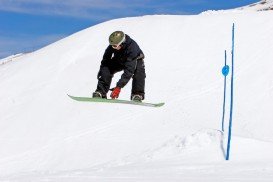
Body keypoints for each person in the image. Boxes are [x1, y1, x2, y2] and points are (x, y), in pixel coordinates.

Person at [93, 31, 146, 102]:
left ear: (122, 43)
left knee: (139, 72)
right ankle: (101, 92)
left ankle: (137, 94)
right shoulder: (112, 46)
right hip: (120, 60)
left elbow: (129, 70)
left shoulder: (133, 48)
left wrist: (118, 87)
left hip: (135, 60)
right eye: (111, 45)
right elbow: (105, 60)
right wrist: (102, 72)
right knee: (107, 67)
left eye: (115, 46)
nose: (113, 47)